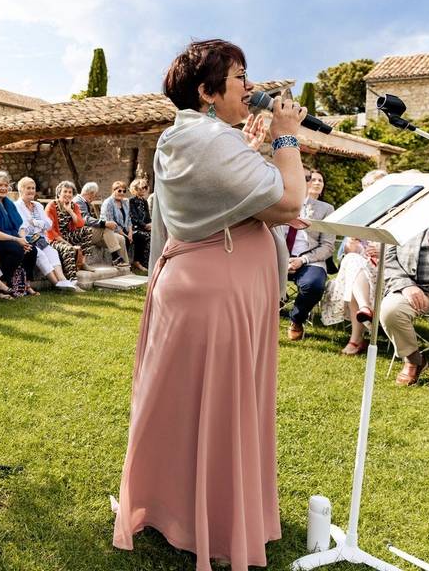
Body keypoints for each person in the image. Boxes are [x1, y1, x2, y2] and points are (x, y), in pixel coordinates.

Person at [113, 39, 307, 571]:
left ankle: (179, 507)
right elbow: (288, 203)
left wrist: (259, 148)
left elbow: (252, 200)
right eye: (239, 76)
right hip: (215, 290)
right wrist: (287, 137)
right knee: (217, 407)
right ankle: (211, 521)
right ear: (206, 91)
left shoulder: (192, 137)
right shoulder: (204, 139)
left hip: (206, 286)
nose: (249, 86)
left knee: (190, 406)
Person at [319, 168, 388, 353]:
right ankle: (364, 310)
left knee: (353, 269)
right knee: (351, 260)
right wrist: (352, 245)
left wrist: (383, 251)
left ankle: (356, 339)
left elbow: (406, 250)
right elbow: (345, 253)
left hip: (386, 270)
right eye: (368, 187)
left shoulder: (395, 212)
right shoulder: (359, 214)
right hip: (359, 268)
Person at [379, 221, 429, 393]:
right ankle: (414, 360)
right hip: (414, 288)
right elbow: (388, 257)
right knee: (391, 310)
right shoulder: (411, 215)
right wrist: (405, 285)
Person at [280, 168, 335, 340]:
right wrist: (283, 257)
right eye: (313, 179)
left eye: (321, 180)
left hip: (310, 259)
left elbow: (328, 246)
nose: (317, 182)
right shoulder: (284, 201)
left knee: (314, 285)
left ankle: (296, 319)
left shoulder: (326, 209)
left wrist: (302, 260)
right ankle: (274, 302)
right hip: (280, 255)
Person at [0, 171, 37, 297]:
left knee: (32, 249)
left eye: (5, 185)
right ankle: (2, 285)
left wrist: (23, 239)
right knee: (16, 250)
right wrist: (17, 240)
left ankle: (25, 284)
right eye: (0, 185)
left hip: (9, 237)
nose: (3, 188)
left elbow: (20, 225)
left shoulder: (8, 203)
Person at [14, 176, 78, 290]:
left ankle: (63, 279)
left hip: (40, 238)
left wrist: (35, 222)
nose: (32, 191)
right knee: (41, 255)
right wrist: (40, 224)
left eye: (33, 188)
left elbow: (49, 224)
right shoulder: (17, 206)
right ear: (21, 190)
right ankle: (56, 283)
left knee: (52, 252)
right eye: (28, 188)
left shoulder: (37, 205)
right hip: (27, 239)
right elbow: (24, 226)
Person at [45, 181, 96, 280]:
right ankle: (73, 281)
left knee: (87, 230)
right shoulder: (51, 206)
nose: (68, 194)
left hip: (67, 236)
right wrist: (69, 245)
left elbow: (80, 224)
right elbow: (49, 231)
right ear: (59, 193)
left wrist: (70, 211)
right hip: (54, 239)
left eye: (70, 192)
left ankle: (82, 262)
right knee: (69, 249)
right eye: (65, 191)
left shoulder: (73, 206)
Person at [73, 182, 130, 269]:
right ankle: (116, 258)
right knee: (106, 227)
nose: (95, 197)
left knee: (121, 238)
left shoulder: (84, 202)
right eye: (95, 195)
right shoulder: (78, 201)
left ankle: (125, 267)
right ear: (90, 193)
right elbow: (85, 219)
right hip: (80, 234)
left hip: (90, 233)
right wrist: (104, 223)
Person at [101, 180, 135, 270]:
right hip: (111, 229)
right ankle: (122, 264)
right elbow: (110, 222)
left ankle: (128, 264)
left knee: (135, 236)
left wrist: (130, 232)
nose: (122, 193)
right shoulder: (108, 203)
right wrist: (124, 234)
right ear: (113, 190)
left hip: (124, 228)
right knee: (125, 239)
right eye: (119, 191)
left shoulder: (125, 202)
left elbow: (128, 219)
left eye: (124, 191)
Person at [128, 178, 152, 274]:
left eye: (145, 187)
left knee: (156, 235)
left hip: (144, 227)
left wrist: (150, 224)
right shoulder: (131, 201)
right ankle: (138, 262)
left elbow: (147, 217)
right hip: (134, 228)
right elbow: (133, 217)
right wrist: (144, 225)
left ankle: (150, 262)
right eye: (141, 188)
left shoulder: (145, 201)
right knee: (145, 236)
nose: (144, 190)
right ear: (135, 189)